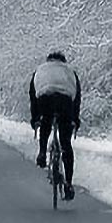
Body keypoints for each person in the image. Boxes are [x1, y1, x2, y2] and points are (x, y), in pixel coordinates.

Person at [29, 51, 82, 200]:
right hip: (65, 102)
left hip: (45, 99)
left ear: (48, 61)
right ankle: (69, 184)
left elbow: (33, 97)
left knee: (46, 120)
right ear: (63, 61)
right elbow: (76, 98)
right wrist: (74, 119)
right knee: (65, 143)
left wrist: (35, 119)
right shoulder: (70, 71)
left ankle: (42, 153)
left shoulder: (40, 70)